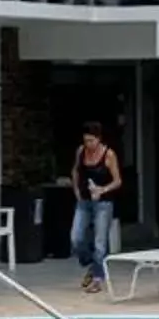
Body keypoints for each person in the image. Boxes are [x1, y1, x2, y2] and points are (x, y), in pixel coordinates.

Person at [71, 120, 124, 292]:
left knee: (100, 243)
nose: (89, 145)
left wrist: (103, 189)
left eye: (92, 141)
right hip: (84, 202)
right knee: (76, 238)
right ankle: (92, 265)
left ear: (99, 139)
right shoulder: (81, 151)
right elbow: (76, 171)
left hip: (103, 203)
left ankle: (97, 279)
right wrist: (77, 191)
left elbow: (118, 181)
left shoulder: (108, 155)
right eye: (86, 140)